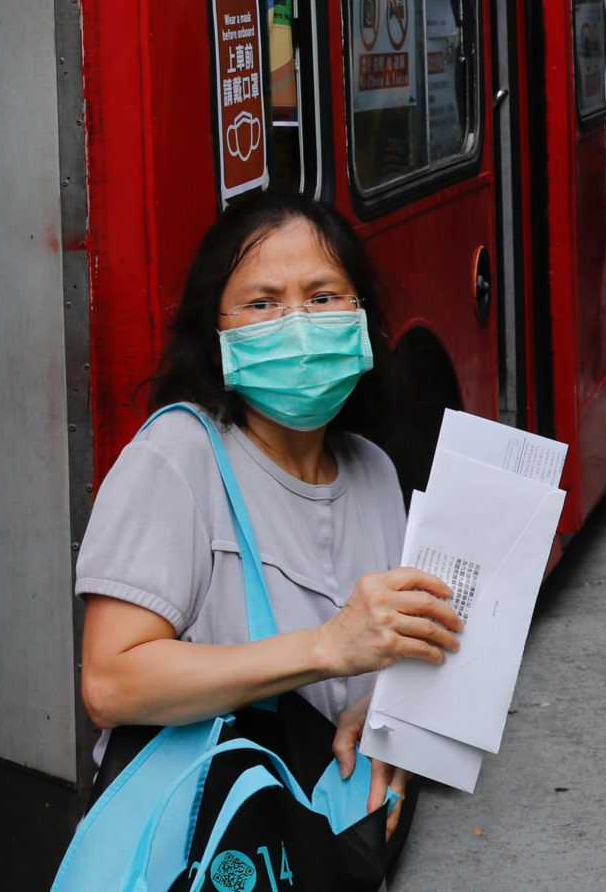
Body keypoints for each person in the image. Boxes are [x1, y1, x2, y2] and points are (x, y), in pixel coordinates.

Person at [74, 193, 461, 850]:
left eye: (322, 295)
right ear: (216, 331)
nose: (299, 326)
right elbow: (110, 682)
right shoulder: (177, 457)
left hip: (333, 848)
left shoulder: (373, 471)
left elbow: (400, 655)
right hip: (210, 849)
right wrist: (324, 647)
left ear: (361, 317)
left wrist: (391, 717)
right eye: (262, 302)